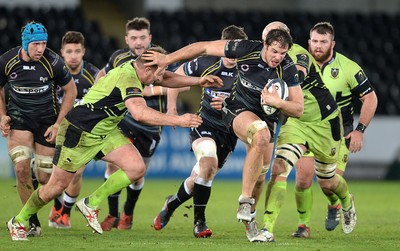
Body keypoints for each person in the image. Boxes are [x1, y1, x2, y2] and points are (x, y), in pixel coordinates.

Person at [7, 46, 223, 241]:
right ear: (149, 69)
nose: (162, 75)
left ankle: (90, 203)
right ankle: (19, 220)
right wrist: (179, 119)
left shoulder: (139, 69)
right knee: (56, 187)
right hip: (79, 131)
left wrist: (197, 81)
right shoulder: (128, 78)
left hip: (105, 131)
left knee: (136, 167)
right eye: (159, 71)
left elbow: (165, 77)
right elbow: (139, 113)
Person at [143, 27, 304, 237]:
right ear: (265, 44)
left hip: (242, 127)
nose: (278, 57)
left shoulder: (287, 68)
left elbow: (298, 109)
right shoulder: (240, 51)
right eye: (274, 51)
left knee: (253, 175)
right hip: (215, 120)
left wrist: (278, 102)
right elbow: (195, 55)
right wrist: (167, 62)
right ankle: (209, 218)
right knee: (213, 161)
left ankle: (175, 203)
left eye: (282, 54)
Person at [258, 21, 356, 241]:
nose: (269, 43)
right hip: (296, 122)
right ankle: (267, 228)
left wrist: (278, 94)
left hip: (324, 122)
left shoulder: (299, 54)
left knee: (328, 181)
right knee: (280, 168)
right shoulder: (264, 56)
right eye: (266, 38)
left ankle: (347, 203)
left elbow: (299, 74)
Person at [152, 25, 252, 239]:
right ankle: (199, 222)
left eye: (238, 51)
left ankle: (172, 203)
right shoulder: (206, 62)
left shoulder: (249, 69)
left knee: (199, 175)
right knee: (208, 162)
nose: (234, 56)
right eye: (230, 51)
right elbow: (173, 78)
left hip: (229, 131)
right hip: (204, 123)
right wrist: (171, 110)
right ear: (222, 46)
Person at [96, 17, 186, 231]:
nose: (138, 42)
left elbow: (176, 83)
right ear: (127, 39)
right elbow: (103, 75)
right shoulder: (119, 58)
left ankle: (128, 211)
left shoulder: (160, 58)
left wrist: (171, 107)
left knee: (138, 174)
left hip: (152, 124)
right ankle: (112, 214)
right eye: (134, 38)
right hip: (124, 119)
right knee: (115, 164)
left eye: (143, 38)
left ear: (150, 38)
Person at [292, 21, 377, 236]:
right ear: (308, 42)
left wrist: (360, 130)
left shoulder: (348, 68)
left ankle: (339, 204)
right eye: (314, 41)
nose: (318, 46)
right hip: (306, 128)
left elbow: (370, 98)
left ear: (333, 43)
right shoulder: (299, 65)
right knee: (303, 178)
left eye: (323, 41)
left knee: (328, 184)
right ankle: (303, 226)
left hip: (338, 133)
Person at [0, 21, 77, 237]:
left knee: (45, 180)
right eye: (36, 45)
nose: (41, 49)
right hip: (19, 120)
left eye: (43, 43)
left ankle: (36, 175)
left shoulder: (53, 61)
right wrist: (2, 115)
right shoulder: (7, 61)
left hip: (46, 122)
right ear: (25, 44)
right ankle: (30, 222)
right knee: (21, 170)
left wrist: (58, 123)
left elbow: (71, 90)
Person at [47, 31, 100, 229]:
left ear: (83, 51)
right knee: (52, 176)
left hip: (82, 134)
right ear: (62, 53)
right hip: (56, 131)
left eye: (77, 51)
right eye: (69, 51)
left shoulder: (94, 75)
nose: (73, 55)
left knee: (76, 174)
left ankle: (65, 214)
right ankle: (57, 204)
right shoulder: (53, 75)